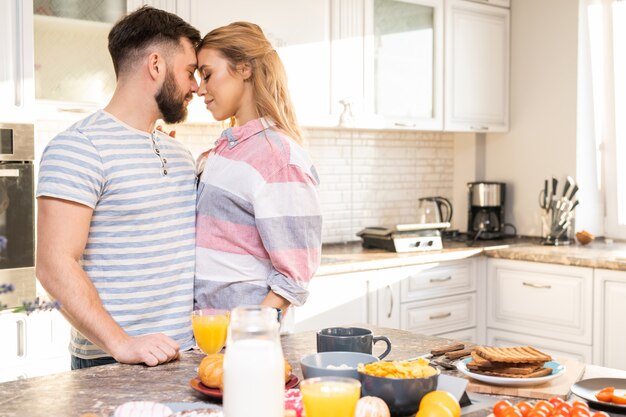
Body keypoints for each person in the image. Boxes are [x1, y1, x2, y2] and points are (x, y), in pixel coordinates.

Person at [35, 6, 201, 369]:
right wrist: (122, 344)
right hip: (115, 362)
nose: (196, 86)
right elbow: (53, 265)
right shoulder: (78, 147)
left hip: (185, 354)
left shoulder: (178, 153)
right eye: (189, 72)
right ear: (155, 65)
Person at [194, 22, 322, 317]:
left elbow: (295, 275)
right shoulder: (227, 148)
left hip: (245, 345)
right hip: (208, 339)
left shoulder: (279, 158)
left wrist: (245, 334)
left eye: (208, 74)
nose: (200, 89)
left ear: (244, 69)